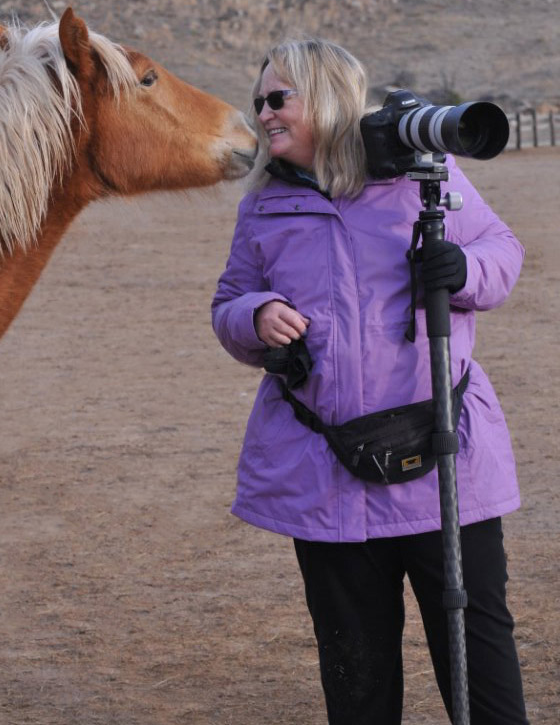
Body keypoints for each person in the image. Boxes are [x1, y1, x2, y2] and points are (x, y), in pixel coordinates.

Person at [211, 37, 528, 725]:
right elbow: (228, 302)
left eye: (278, 98)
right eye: (258, 100)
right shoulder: (264, 205)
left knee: (482, 668)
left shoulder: (423, 173)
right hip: (327, 478)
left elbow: (501, 251)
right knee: (357, 679)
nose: (262, 113)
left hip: (445, 466)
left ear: (326, 99)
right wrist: (255, 314)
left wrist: (463, 273)